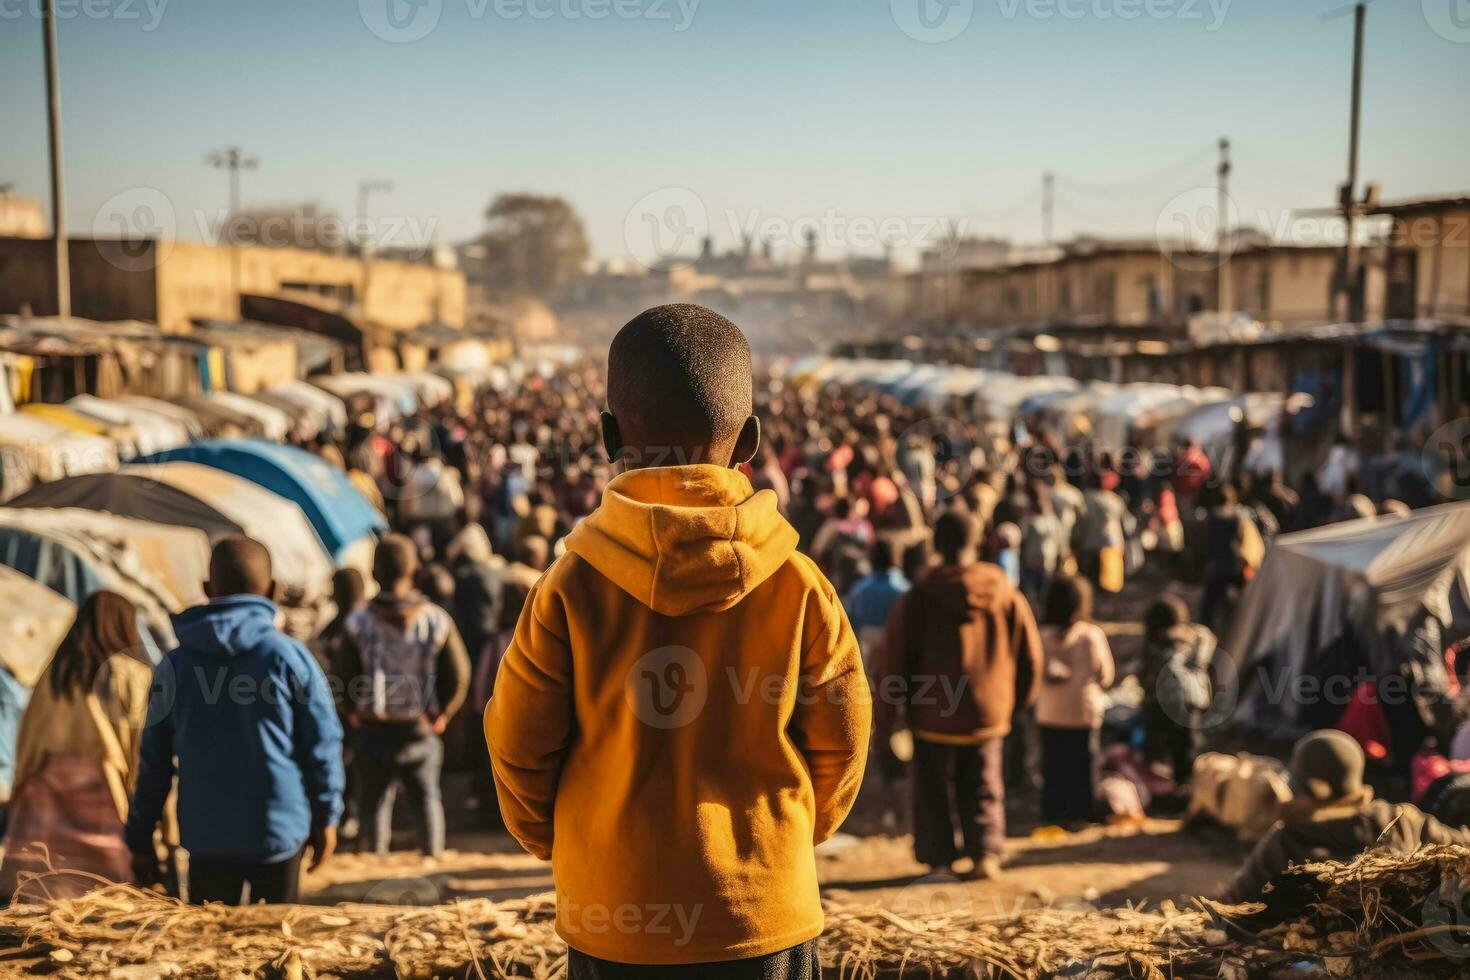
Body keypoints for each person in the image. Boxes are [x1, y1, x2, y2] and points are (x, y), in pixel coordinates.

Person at [486, 304, 870, 977]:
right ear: (749, 440)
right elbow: (844, 736)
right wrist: (787, 840)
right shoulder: (799, 584)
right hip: (765, 920)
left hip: (617, 922)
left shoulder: (569, 590)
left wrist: (577, 846)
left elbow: (517, 746)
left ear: (608, 433)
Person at [125, 537, 344, 906]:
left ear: (208, 589)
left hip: (206, 837)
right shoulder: (289, 657)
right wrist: (327, 817)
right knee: (277, 948)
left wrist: (140, 837)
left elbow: (154, 762)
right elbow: (322, 742)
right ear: (272, 590)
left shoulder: (175, 665)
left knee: (210, 956)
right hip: (279, 832)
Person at [876, 510, 1043, 880]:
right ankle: (985, 853)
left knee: (932, 788)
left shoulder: (919, 596)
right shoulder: (1004, 592)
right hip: (989, 710)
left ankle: (939, 859)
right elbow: (1031, 655)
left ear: (936, 543)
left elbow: (893, 661)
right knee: (984, 783)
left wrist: (887, 720)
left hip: (933, 711)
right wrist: (1016, 706)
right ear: (980, 539)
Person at [0, 593, 153, 899]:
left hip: (44, 798)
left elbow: (30, 739)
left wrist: (20, 793)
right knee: (104, 899)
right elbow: (140, 749)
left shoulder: (54, 674)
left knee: (40, 893)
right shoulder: (133, 674)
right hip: (103, 800)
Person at [336, 534, 471, 859]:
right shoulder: (436, 619)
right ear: (415, 569)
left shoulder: (358, 621)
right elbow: (459, 673)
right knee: (426, 800)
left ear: (374, 573)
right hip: (420, 731)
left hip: (372, 731)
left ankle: (372, 861)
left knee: (373, 805)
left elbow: (342, 673)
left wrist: (352, 710)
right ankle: (432, 858)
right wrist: (444, 714)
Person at [1222, 730, 1470, 903]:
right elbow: (1464, 846)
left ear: (1319, 788)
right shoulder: (1404, 820)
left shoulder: (1288, 839)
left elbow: (1235, 904)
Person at [1035, 576, 1114, 826]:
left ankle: (1053, 810)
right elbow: (1106, 675)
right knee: (1082, 766)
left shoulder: (1041, 636)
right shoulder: (1091, 636)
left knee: (1053, 766)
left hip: (1049, 714)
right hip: (1083, 714)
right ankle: (1081, 811)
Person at [1138, 595, 1214, 785]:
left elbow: (1149, 677)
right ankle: (1185, 783)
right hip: (1192, 702)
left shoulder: (1158, 646)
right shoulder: (1196, 640)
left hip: (1162, 703)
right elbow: (1207, 637)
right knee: (1187, 746)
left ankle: (1162, 785)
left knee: (1162, 748)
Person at [843, 536, 910, 674]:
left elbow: (852, 620)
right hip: (896, 642)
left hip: (867, 643)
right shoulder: (904, 589)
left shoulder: (859, 589)